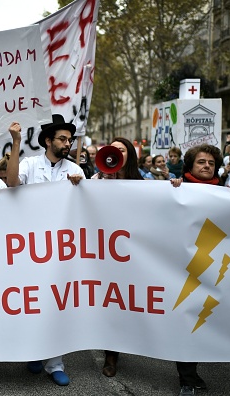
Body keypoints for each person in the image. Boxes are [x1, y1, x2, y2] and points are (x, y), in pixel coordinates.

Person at [7, 114, 84, 387]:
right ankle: (34, 352)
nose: (68, 143)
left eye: (70, 139)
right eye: (63, 139)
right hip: (30, 247)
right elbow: (13, 183)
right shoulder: (29, 164)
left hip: (61, 250)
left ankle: (55, 363)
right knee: (32, 302)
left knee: (56, 304)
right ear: (48, 141)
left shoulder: (76, 171)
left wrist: (80, 189)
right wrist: (16, 142)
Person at [169, 144, 223, 396]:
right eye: (201, 162)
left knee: (206, 318)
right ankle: (186, 378)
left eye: (211, 163)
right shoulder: (177, 189)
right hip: (184, 265)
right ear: (190, 166)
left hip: (216, 265)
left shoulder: (226, 192)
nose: (206, 166)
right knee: (188, 317)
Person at [90, 137, 142, 378]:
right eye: (112, 149)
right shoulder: (97, 180)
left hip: (131, 251)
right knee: (108, 300)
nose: (116, 152)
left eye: (121, 149)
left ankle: (121, 348)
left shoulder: (142, 182)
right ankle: (110, 352)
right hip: (103, 251)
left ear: (129, 154)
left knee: (127, 300)